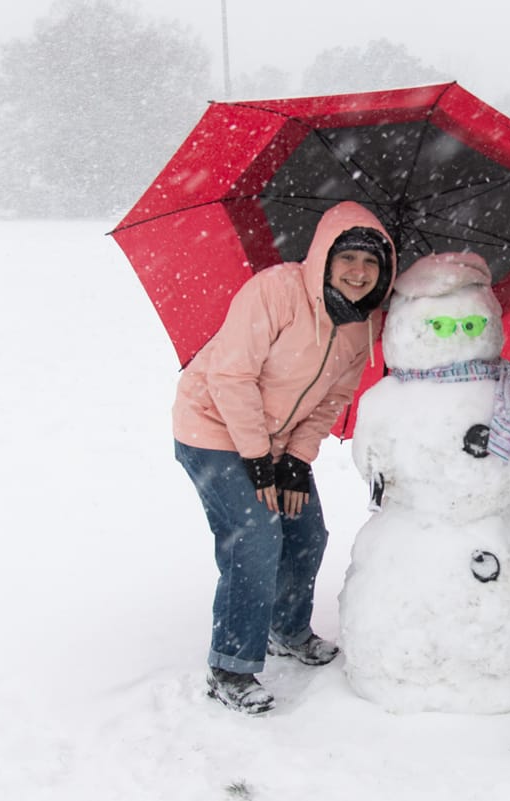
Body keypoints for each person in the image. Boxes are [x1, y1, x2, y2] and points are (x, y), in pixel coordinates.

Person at [172, 201, 396, 715]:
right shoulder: (275, 291)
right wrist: (257, 458)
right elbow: (231, 377)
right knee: (253, 534)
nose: (359, 272)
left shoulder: (364, 324)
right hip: (210, 425)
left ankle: (286, 628)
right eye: (348, 259)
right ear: (324, 257)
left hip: (275, 442)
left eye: (371, 263)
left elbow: (332, 400)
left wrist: (294, 459)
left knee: (306, 531)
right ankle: (231, 663)